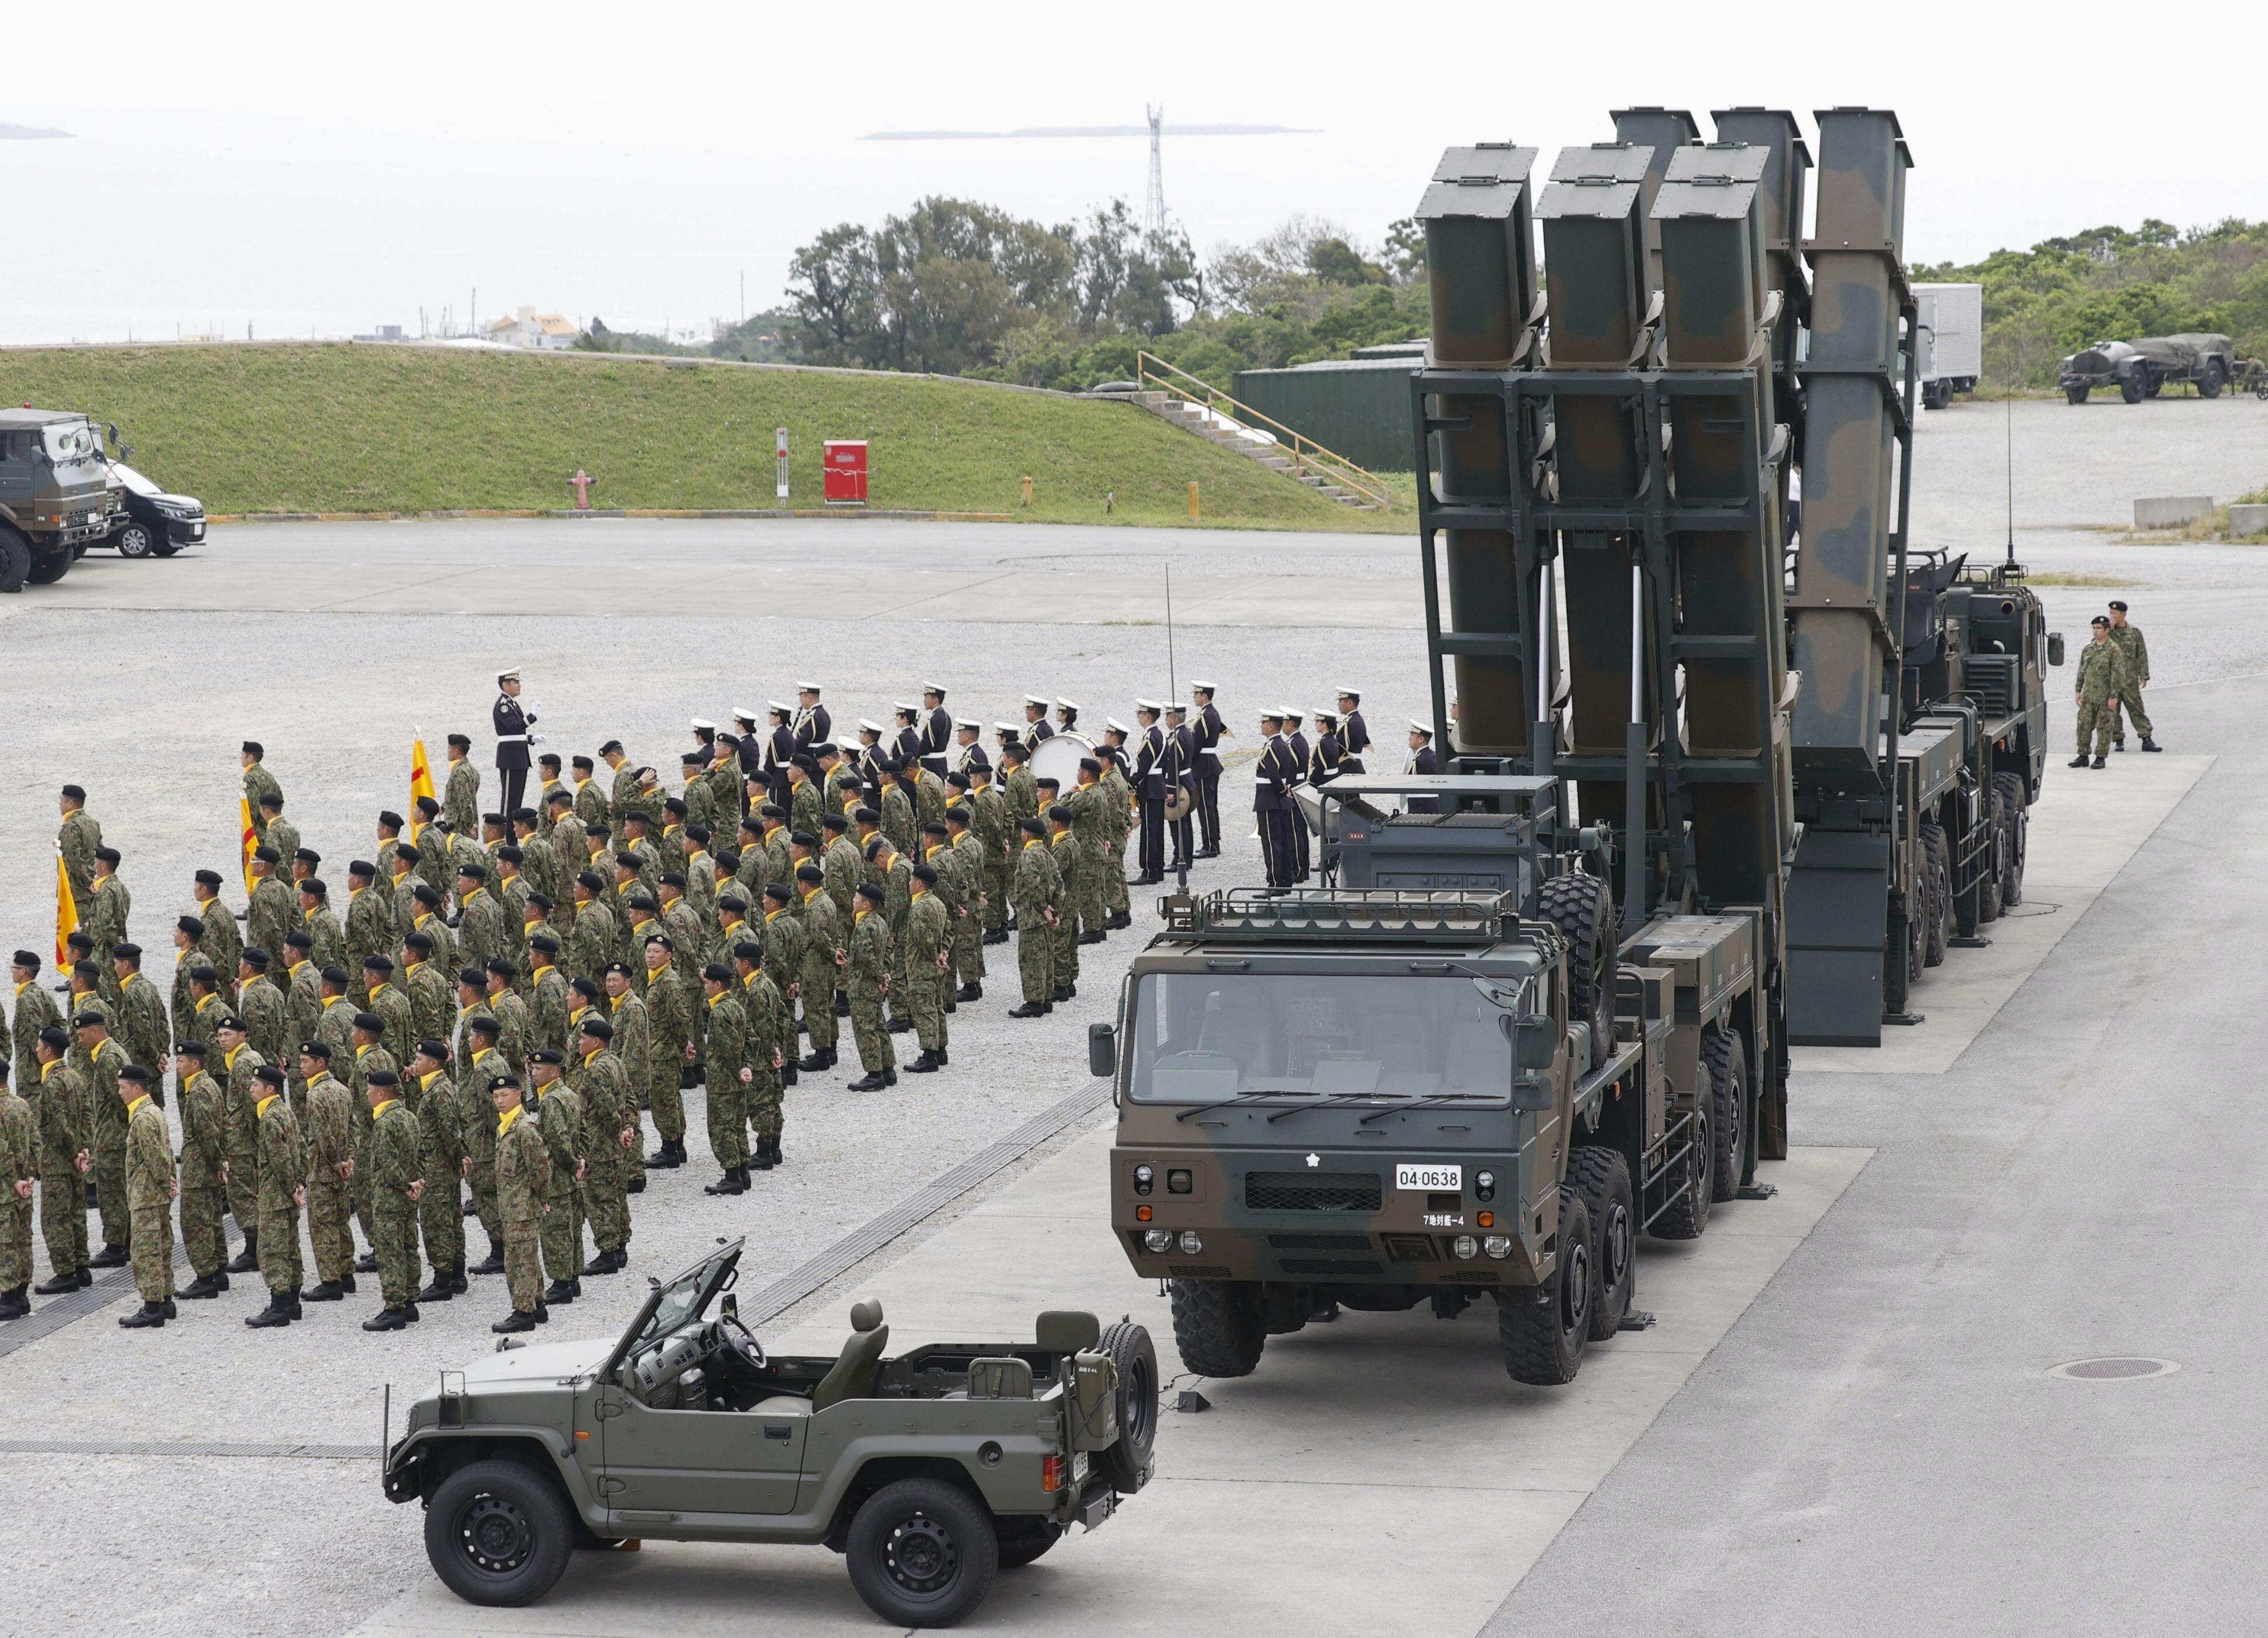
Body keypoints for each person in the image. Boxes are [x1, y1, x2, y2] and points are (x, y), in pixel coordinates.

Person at [487, 1072, 550, 1333]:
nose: (500, 1101)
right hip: (511, 1207)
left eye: (504, 1095)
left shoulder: (524, 1128)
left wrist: (542, 1199)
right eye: (496, 1097)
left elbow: (541, 1169)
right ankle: (537, 1305)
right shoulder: (505, 1126)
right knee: (527, 1257)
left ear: (518, 1095)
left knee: (518, 1261)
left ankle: (523, 1313)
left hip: (523, 1207)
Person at [245, 1064, 306, 1328]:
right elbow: (301, 1148)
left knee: (273, 1250)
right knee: (291, 1247)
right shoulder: (285, 1111)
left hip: (276, 1196)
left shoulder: (270, 1118)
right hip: (288, 1193)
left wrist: (291, 1188)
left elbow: (280, 1159)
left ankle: (279, 1307)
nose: (250, 1089)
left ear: (270, 1089)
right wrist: (299, 1183)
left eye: (255, 1085)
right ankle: (293, 1303)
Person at [361, 1069, 424, 1330]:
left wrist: (405, 1185)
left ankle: (394, 1308)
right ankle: (410, 1303)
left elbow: (387, 1163)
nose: (367, 1094)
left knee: (390, 1253)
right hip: (408, 1197)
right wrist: (417, 1183)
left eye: (369, 1090)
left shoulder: (384, 1123)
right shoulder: (410, 1117)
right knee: (409, 1248)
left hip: (390, 1198)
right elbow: (422, 1155)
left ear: (380, 1094)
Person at [30, 1027, 90, 1297]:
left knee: (56, 1218)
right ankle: (81, 1267)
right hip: (75, 1159)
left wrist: (74, 1151)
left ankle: (65, 1273)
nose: (36, 1050)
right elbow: (87, 1114)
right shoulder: (74, 1076)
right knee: (76, 1213)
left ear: (48, 1050)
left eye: (39, 1046)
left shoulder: (52, 1083)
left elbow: (58, 1125)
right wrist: (84, 1148)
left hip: (58, 1161)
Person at [118, 1066, 176, 1328]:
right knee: (162, 1248)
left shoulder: (142, 1118)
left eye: (123, 1087)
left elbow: (155, 1157)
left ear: (136, 1088)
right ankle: (166, 1301)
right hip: (157, 1195)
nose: (120, 1093)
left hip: (147, 1195)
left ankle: (152, 1307)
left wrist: (166, 1182)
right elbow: (168, 1153)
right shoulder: (154, 1112)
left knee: (146, 1252)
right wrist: (170, 1182)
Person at [173, 1040, 231, 1299]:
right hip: (209, 1164)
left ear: (195, 1064)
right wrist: (221, 1159)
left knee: (196, 1222)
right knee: (213, 1218)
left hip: (199, 1167)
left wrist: (217, 1161)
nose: (177, 1066)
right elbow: (223, 1126)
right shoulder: (210, 1085)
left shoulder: (198, 1091)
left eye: (181, 1061)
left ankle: (205, 1277)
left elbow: (207, 1132)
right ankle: (219, 1272)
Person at [301, 1043, 358, 1302]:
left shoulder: (315, 1095)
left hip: (323, 1170)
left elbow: (322, 1135)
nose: (301, 1066)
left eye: (305, 1061)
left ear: (320, 1063)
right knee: (341, 1222)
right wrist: (349, 1159)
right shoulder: (342, 1090)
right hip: (343, 1170)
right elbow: (354, 1126)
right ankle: (347, 1275)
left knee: (323, 1226)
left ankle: (330, 1281)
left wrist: (336, 1163)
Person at [531, 1042, 585, 1306]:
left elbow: (558, 1140)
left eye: (539, 1069)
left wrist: (572, 1163)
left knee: (556, 1231)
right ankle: (573, 1279)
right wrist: (581, 1161)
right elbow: (582, 1130)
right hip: (571, 1176)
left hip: (557, 1175)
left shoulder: (551, 1101)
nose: (533, 1073)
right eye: (533, 1068)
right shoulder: (569, 1094)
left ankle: (562, 1284)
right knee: (572, 1228)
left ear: (554, 1072)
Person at [845, 883, 897, 1091]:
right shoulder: (880, 922)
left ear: (866, 904)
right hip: (876, 984)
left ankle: (874, 1074)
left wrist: (879, 977)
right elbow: (890, 951)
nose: (853, 900)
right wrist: (886, 974)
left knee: (865, 1029)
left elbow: (866, 957)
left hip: (864, 985)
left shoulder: (863, 926)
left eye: (857, 898)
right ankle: (888, 1069)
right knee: (879, 1025)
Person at [1008, 816, 1060, 1019]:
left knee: (1031, 959)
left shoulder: (1028, 855)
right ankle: (1046, 999)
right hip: (1045, 915)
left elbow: (1032, 884)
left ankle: (1034, 1002)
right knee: (1045, 956)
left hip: (1032, 915)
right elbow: (1059, 884)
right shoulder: (1047, 854)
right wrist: (1056, 912)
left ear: (1027, 835)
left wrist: (1043, 907)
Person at [2071, 616, 2129, 769]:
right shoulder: (2089, 648)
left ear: (2107, 630)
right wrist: (2078, 690)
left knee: (2104, 728)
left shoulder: (2114, 650)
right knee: (2083, 725)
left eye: (2098, 628)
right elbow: (2082, 670)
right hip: (2089, 696)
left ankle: (2101, 757)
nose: (2095, 631)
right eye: (2094, 628)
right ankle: (2083, 755)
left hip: (2105, 697)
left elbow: (2118, 674)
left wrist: (2114, 696)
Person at [0, 1061, 32, 1322]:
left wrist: (12, 1180)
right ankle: (21, 1296)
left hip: (6, 1188)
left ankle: (8, 1299)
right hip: (24, 1186)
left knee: (5, 1244)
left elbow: (2, 1152)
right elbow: (35, 1141)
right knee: (23, 1239)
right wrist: (29, 1176)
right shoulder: (22, 1105)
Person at [2106, 600, 2161, 752]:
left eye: (2115, 613)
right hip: (2112, 680)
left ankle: (2146, 738)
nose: (2112, 616)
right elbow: (2096, 646)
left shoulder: (2134, 633)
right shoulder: (2106, 632)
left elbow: (2141, 654)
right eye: (2111, 613)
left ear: (2123, 614)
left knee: (2136, 708)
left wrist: (2144, 675)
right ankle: (2118, 739)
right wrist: (2109, 629)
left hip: (2130, 679)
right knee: (2113, 710)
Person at [1255, 709, 1298, 888]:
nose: (1261, 726)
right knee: (1282, 841)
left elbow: (1273, 775)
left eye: (1263, 723)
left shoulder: (1271, 747)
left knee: (1271, 843)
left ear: (1271, 726)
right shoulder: (1283, 745)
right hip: (1279, 801)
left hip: (1269, 800)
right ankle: (1286, 880)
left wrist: (1282, 790)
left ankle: (1275, 882)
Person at [1131, 700, 1168, 885]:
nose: (1138, 717)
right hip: (1158, 785)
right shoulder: (1160, 735)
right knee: (1157, 829)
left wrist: (1128, 783)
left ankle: (1148, 870)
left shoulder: (1150, 738)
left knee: (1149, 831)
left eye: (1140, 714)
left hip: (1150, 787)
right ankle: (1158, 868)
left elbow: (1143, 769)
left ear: (1147, 716)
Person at [492, 668, 537, 815]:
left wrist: (529, 739)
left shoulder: (512, 704)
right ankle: (506, 828)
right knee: (509, 801)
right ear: (505, 685)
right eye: (515, 682)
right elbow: (513, 727)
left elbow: (514, 733)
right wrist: (532, 717)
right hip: (510, 757)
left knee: (517, 799)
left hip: (518, 756)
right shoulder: (503, 706)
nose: (519, 685)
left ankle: (514, 829)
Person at [1190, 683, 1228, 858]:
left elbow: (1196, 743)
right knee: (1210, 806)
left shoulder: (1205, 716)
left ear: (1204, 696)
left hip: (1203, 765)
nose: (1194, 697)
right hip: (1209, 763)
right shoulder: (1212, 713)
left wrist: (1187, 761)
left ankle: (1210, 845)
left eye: (1196, 694)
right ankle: (1214, 841)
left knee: (1205, 806)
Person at [1162, 703, 1197, 874]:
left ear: (1176, 718)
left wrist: (1171, 791)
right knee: (1185, 823)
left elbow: (1173, 766)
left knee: (1179, 825)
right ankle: (1186, 858)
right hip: (1187, 780)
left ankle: (1181, 858)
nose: (1166, 720)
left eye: (1168, 717)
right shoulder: (1186, 733)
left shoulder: (1178, 738)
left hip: (1179, 784)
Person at [57, 785, 103, 907]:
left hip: (76, 892)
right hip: (94, 888)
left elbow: (73, 859)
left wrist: (87, 882)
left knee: (75, 921)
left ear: (70, 803)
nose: (60, 804)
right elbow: (101, 852)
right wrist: (97, 879)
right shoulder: (93, 823)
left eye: (61, 800)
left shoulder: (70, 827)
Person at [1283, 708, 1313, 882]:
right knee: (1300, 831)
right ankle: (1304, 868)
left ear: (1290, 724)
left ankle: (1299, 870)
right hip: (1301, 786)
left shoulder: (1293, 744)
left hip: (1294, 789)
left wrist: (1287, 787)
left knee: (1294, 832)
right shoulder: (1300, 740)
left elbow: (1291, 769)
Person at [1405, 720, 1440, 813]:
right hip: (1433, 805)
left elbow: (1412, 782)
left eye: (1412, 735)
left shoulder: (1420, 760)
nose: (1409, 739)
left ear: (1421, 739)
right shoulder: (1432, 755)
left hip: (1421, 807)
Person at [919, 684, 953, 776]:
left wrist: (914, 752)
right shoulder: (946, 716)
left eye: (927, 698)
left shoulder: (934, 719)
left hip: (931, 764)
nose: (924, 701)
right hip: (941, 762)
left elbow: (926, 747)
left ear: (935, 700)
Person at [1336, 688, 1371, 775]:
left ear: (1350, 703)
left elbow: (1340, 749)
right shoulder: (1357, 720)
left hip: (1348, 767)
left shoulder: (1350, 723)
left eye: (1340, 701)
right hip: (1355, 765)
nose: (1338, 705)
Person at [792, 683, 831, 756]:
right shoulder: (824, 714)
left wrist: (789, 746)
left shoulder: (812, 716)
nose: (800, 700)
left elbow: (803, 741)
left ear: (809, 697)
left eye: (801, 697)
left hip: (810, 757)